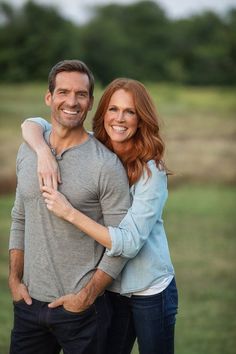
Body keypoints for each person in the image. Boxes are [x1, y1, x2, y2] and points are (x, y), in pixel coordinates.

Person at [22, 78, 178, 354]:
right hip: (108, 290)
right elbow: (32, 123)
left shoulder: (151, 173)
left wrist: (69, 213)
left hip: (148, 290)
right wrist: (43, 151)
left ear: (141, 119)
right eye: (113, 109)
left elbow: (128, 242)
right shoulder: (95, 148)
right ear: (102, 112)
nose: (120, 119)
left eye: (129, 112)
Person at [9, 60, 131, 354]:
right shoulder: (29, 150)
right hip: (28, 306)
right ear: (49, 98)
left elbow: (122, 243)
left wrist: (86, 297)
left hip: (83, 313)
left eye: (81, 94)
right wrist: (14, 280)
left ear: (90, 102)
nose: (72, 102)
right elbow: (20, 217)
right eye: (63, 92)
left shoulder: (106, 165)